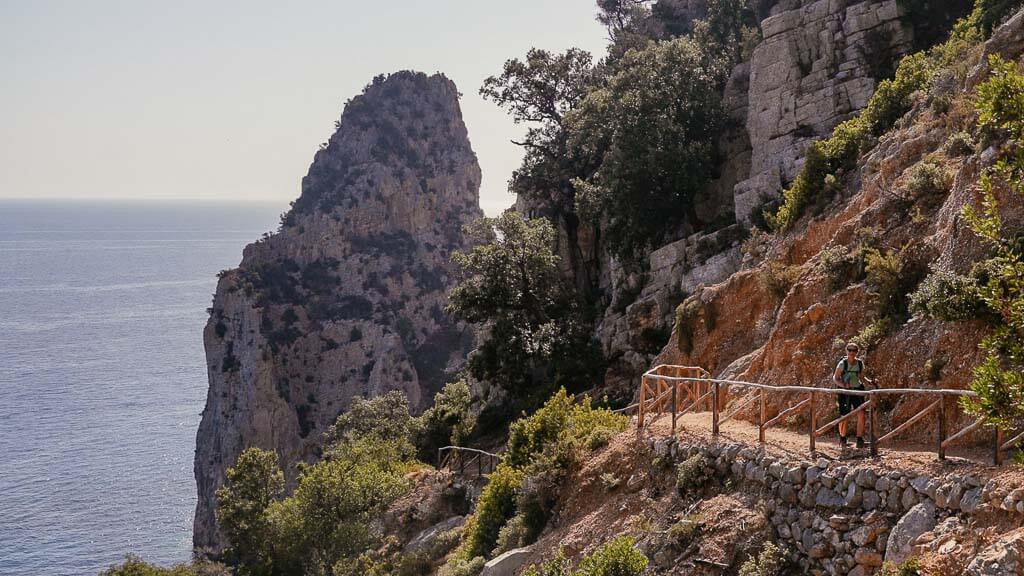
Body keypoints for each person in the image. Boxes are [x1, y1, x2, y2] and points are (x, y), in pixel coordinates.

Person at [833, 342, 873, 449]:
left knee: (861, 414)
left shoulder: (859, 363)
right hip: (845, 391)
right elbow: (835, 378)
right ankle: (842, 437)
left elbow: (861, 376)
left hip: (857, 390)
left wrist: (869, 381)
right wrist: (843, 385)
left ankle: (859, 438)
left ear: (857, 352)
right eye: (849, 350)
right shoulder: (842, 364)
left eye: (854, 350)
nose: (851, 352)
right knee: (844, 415)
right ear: (846, 351)